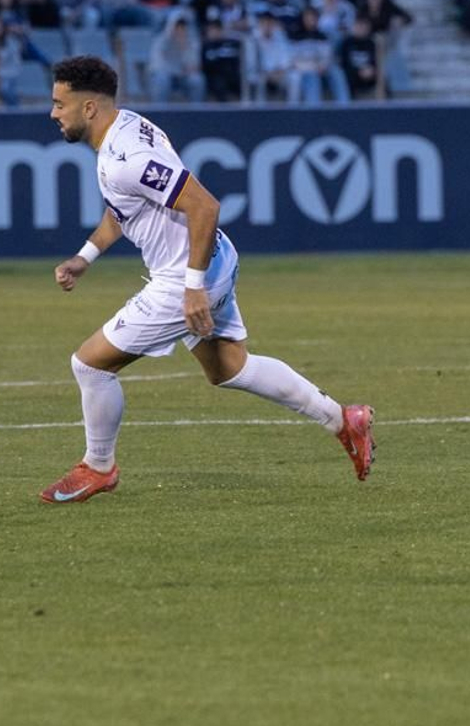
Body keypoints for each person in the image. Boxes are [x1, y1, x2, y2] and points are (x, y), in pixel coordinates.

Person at [40, 56, 376, 503]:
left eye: (60, 104)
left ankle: (98, 467)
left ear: (88, 108)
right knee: (229, 368)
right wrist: (86, 255)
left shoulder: (128, 158)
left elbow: (204, 206)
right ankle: (343, 419)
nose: (52, 113)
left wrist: (193, 287)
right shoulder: (126, 129)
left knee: (90, 364)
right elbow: (127, 208)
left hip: (186, 276)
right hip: (215, 259)